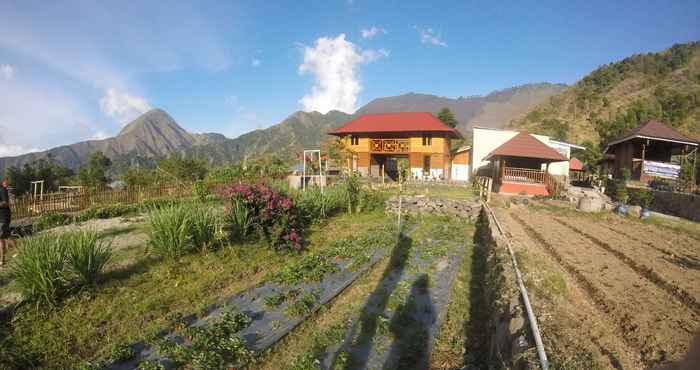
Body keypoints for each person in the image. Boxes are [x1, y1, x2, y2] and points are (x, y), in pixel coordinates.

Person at [0, 178, 16, 266]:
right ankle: (3, 259)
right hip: (1, 217)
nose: (7, 183)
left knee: (2, 236)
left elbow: (6, 203)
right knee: (5, 236)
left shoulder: (2, 190)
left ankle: (2, 259)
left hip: (4, 216)